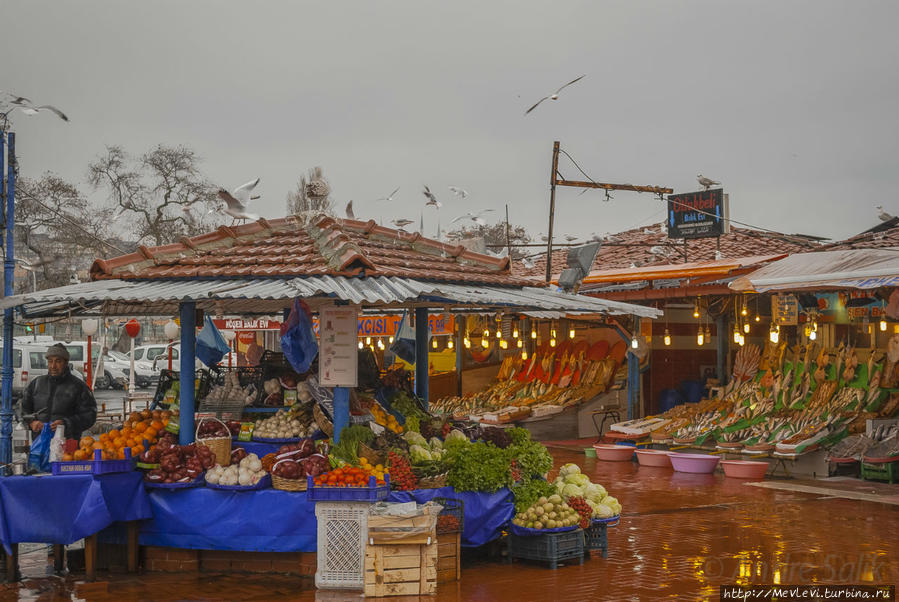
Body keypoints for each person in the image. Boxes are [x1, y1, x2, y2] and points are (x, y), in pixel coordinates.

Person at [19, 343, 97, 440]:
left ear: (66, 363)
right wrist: (31, 422)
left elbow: (90, 415)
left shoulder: (79, 386)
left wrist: (66, 423)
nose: (53, 366)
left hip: (67, 444)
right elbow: (22, 410)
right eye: (50, 361)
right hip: (40, 444)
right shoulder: (36, 384)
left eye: (58, 361)